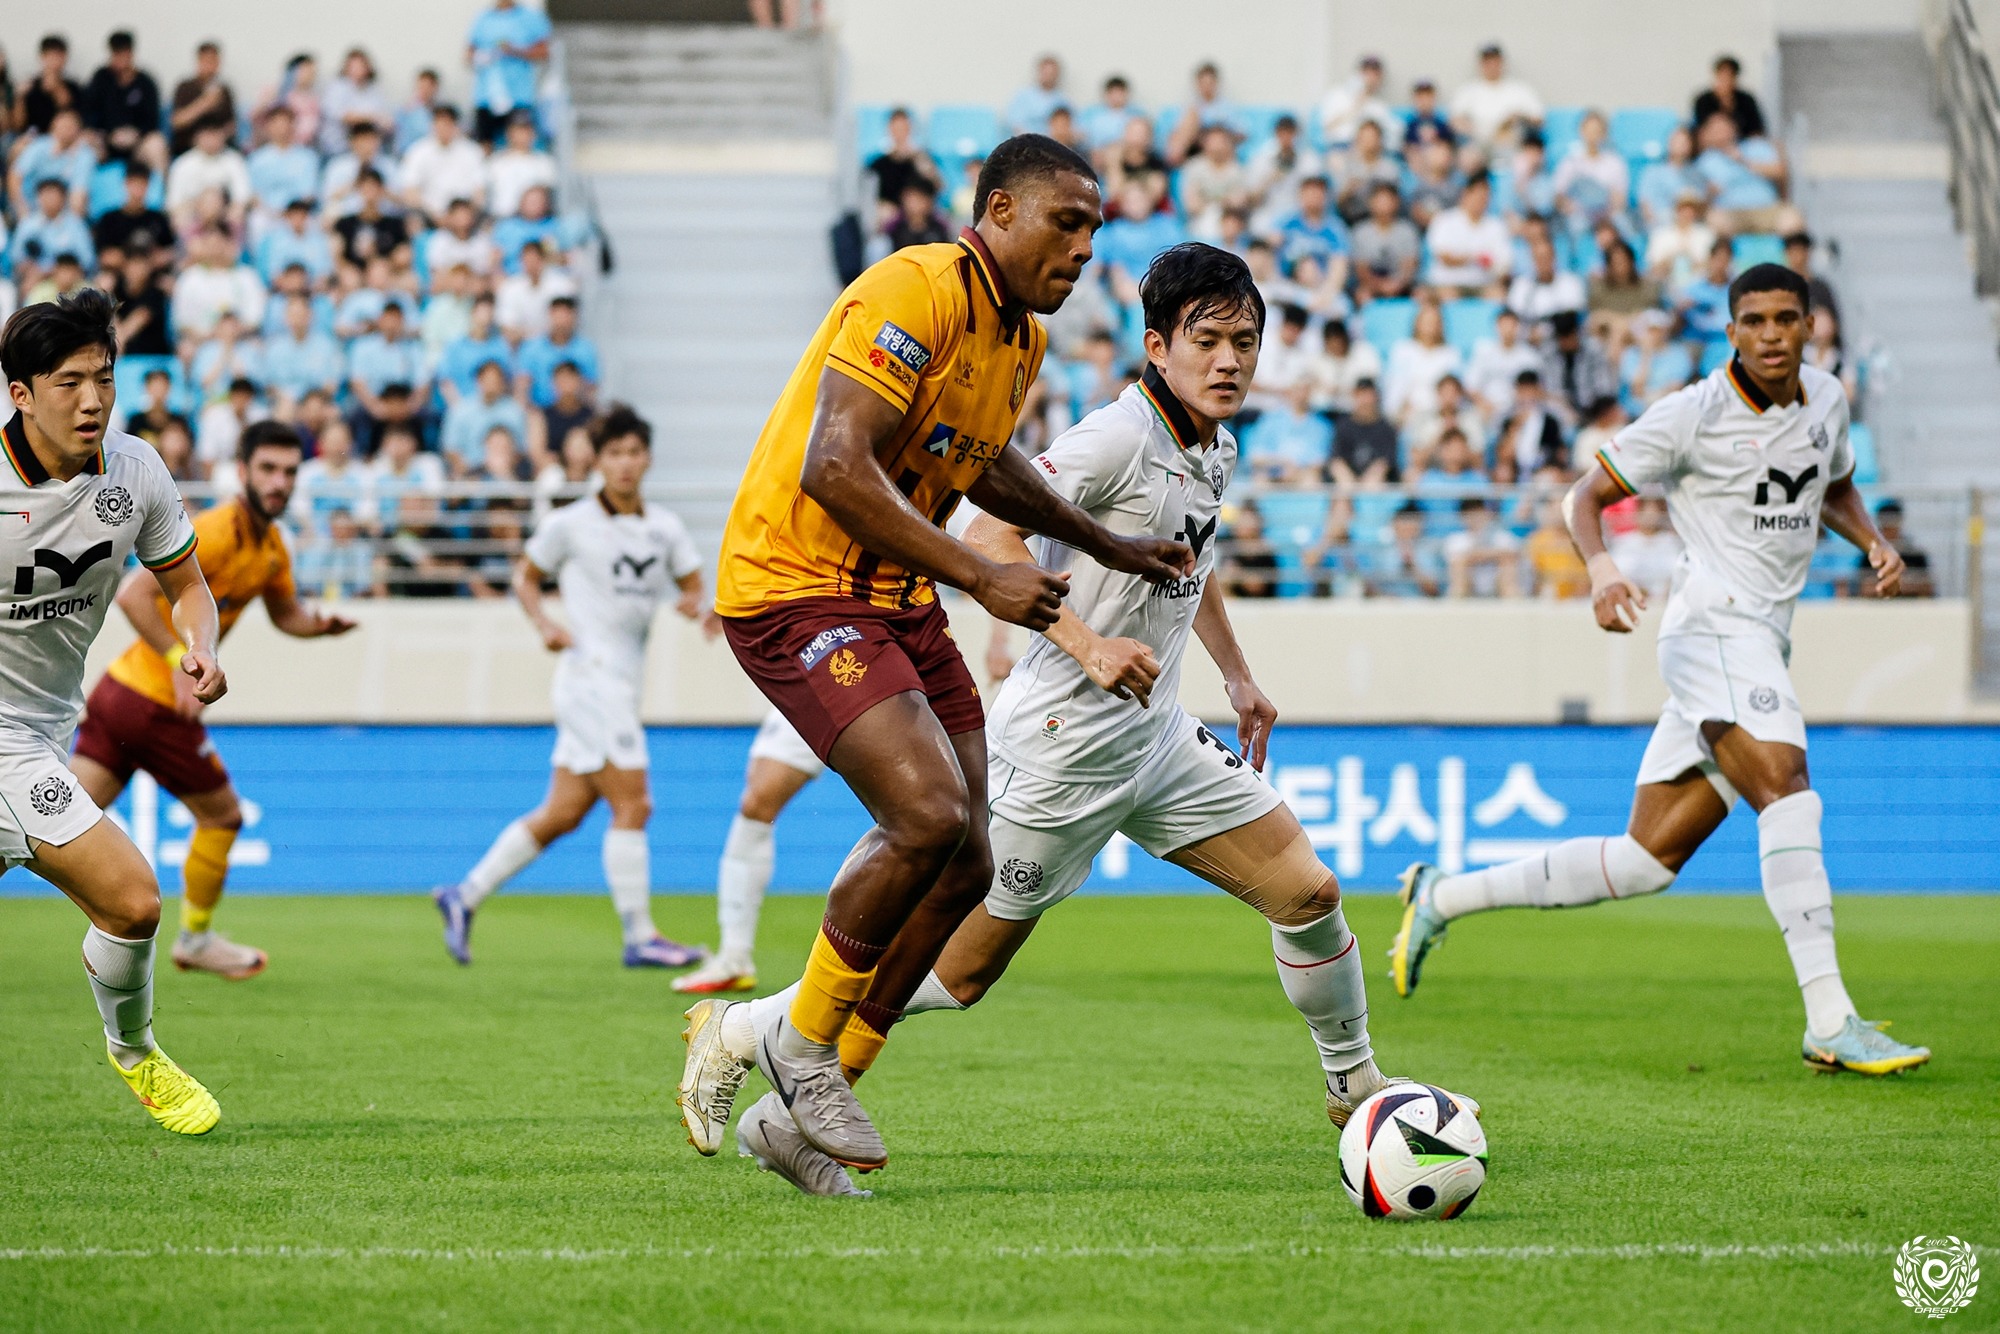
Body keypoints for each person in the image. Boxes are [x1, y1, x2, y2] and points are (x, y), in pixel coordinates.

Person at [683, 243, 1428, 1196]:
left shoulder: (1216, 446)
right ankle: (757, 1042)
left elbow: (1186, 560)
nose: (1230, 361)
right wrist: (1087, 644)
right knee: (955, 975)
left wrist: (1238, 675)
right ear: (1157, 347)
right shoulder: (1112, 440)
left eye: (1245, 342)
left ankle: (1355, 1085)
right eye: (1208, 341)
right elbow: (987, 531)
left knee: (1309, 893)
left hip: (1157, 737)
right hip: (1060, 748)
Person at [677, 135, 1189, 1177]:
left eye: (1094, 230)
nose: (1084, 249)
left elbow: (983, 462)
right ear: (998, 211)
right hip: (795, 583)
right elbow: (833, 464)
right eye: (1066, 222)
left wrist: (1105, 544)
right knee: (926, 813)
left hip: (894, 599)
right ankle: (797, 1047)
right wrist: (980, 576)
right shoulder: (913, 291)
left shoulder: (1018, 338)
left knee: (967, 858)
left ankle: (795, 1099)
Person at [1392, 264, 1933, 1078]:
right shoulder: (1693, 414)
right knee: (1787, 788)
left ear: (1811, 326)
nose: (1772, 334)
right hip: (1711, 627)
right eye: (1755, 321)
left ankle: (1443, 895)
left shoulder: (1826, 399)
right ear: (1732, 332)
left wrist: (1874, 542)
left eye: (1787, 318)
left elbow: (1834, 485)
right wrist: (1602, 569)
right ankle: (1831, 1019)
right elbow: (1583, 497)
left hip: (1760, 639)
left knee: (1645, 859)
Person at [0, 289, 227, 1135]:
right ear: (22, 394)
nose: (92, 400)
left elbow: (187, 587)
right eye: (69, 382)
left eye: (103, 379)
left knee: (127, 905)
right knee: (132, 900)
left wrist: (200, 647)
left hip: (46, 725)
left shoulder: (135, 472)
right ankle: (136, 1053)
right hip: (6, 741)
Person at [72, 421, 356, 980]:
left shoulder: (271, 547)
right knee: (222, 816)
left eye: (289, 472)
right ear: (243, 470)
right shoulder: (217, 531)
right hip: (155, 704)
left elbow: (285, 614)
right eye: (268, 469)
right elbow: (134, 596)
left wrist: (320, 626)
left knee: (50, 826)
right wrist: (178, 663)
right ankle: (196, 939)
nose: (279, 482)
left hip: (119, 695)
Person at [434, 405, 708, 965]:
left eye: (634, 452)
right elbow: (526, 576)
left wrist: (695, 606)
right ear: (597, 460)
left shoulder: (665, 528)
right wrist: (544, 624)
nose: (625, 463)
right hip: (590, 680)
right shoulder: (570, 523)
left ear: (647, 459)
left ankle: (464, 896)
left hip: (623, 684)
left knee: (563, 812)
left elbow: (694, 586)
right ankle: (640, 936)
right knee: (635, 803)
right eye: (614, 453)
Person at [671, 709, 826, 997]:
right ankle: (734, 958)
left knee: (903, 812)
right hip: (810, 687)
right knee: (757, 802)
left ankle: (883, 961)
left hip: (871, 687)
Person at [467, 0, 552, 145]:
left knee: (519, 143)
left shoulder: (530, 17)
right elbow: (469, 54)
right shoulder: (483, 18)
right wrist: (483, 57)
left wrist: (515, 51)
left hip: (518, 95)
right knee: (485, 144)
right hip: (487, 96)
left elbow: (544, 52)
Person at [81, 31, 165, 173]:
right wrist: (106, 134)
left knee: (156, 143)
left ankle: (160, 185)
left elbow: (152, 120)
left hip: (137, 142)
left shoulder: (145, 83)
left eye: (124, 54)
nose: (120, 60)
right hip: (106, 141)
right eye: (116, 54)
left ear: (131, 53)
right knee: (84, 140)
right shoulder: (101, 78)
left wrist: (136, 134)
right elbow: (88, 112)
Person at [1423, 172, 1510, 298]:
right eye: (1478, 195)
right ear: (1466, 194)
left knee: (1498, 294)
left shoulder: (1496, 226)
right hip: (1448, 283)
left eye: (1485, 197)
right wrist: (1475, 259)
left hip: (1482, 285)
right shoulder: (1444, 220)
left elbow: (1503, 264)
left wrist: (1492, 266)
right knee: (1447, 295)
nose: (1482, 201)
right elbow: (1444, 257)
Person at [1449, 43, 1542, 149]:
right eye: (1487, 61)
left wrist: (1518, 117)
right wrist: (1473, 131)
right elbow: (1454, 121)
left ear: (1502, 62)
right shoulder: (1468, 90)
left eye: (1495, 61)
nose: (1492, 65)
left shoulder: (1520, 89)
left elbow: (1538, 119)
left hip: (1511, 143)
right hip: (1478, 143)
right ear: (1480, 64)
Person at [169, 41, 236, 158]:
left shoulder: (224, 90)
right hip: (189, 148)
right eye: (206, 61)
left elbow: (231, 125)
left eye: (214, 61)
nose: (210, 66)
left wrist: (218, 137)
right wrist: (204, 104)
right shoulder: (185, 87)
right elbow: (177, 122)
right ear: (198, 61)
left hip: (219, 148)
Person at [1607, 492, 1681, 597]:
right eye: (1645, 510)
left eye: (1654, 511)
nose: (1649, 515)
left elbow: (1678, 572)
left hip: (1666, 598)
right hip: (1633, 598)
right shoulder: (1623, 542)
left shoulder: (1671, 542)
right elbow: (1617, 573)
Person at [1857, 500, 1932, 598]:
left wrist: (1893, 585)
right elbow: (1864, 589)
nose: (1889, 529)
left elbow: (1927, 587)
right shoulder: (1870, 554)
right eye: (1885, 524)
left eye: (1892, 524)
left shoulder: (1915, 554)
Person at [1692, 54, 1766, 143]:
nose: (1726, 80)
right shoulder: (1703, 101)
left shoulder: (1747, 100)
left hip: (1743, 144)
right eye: (1723, 75)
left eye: (1730, 75)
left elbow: (1757, 129)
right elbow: (1700, 132)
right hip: (1713, 144)